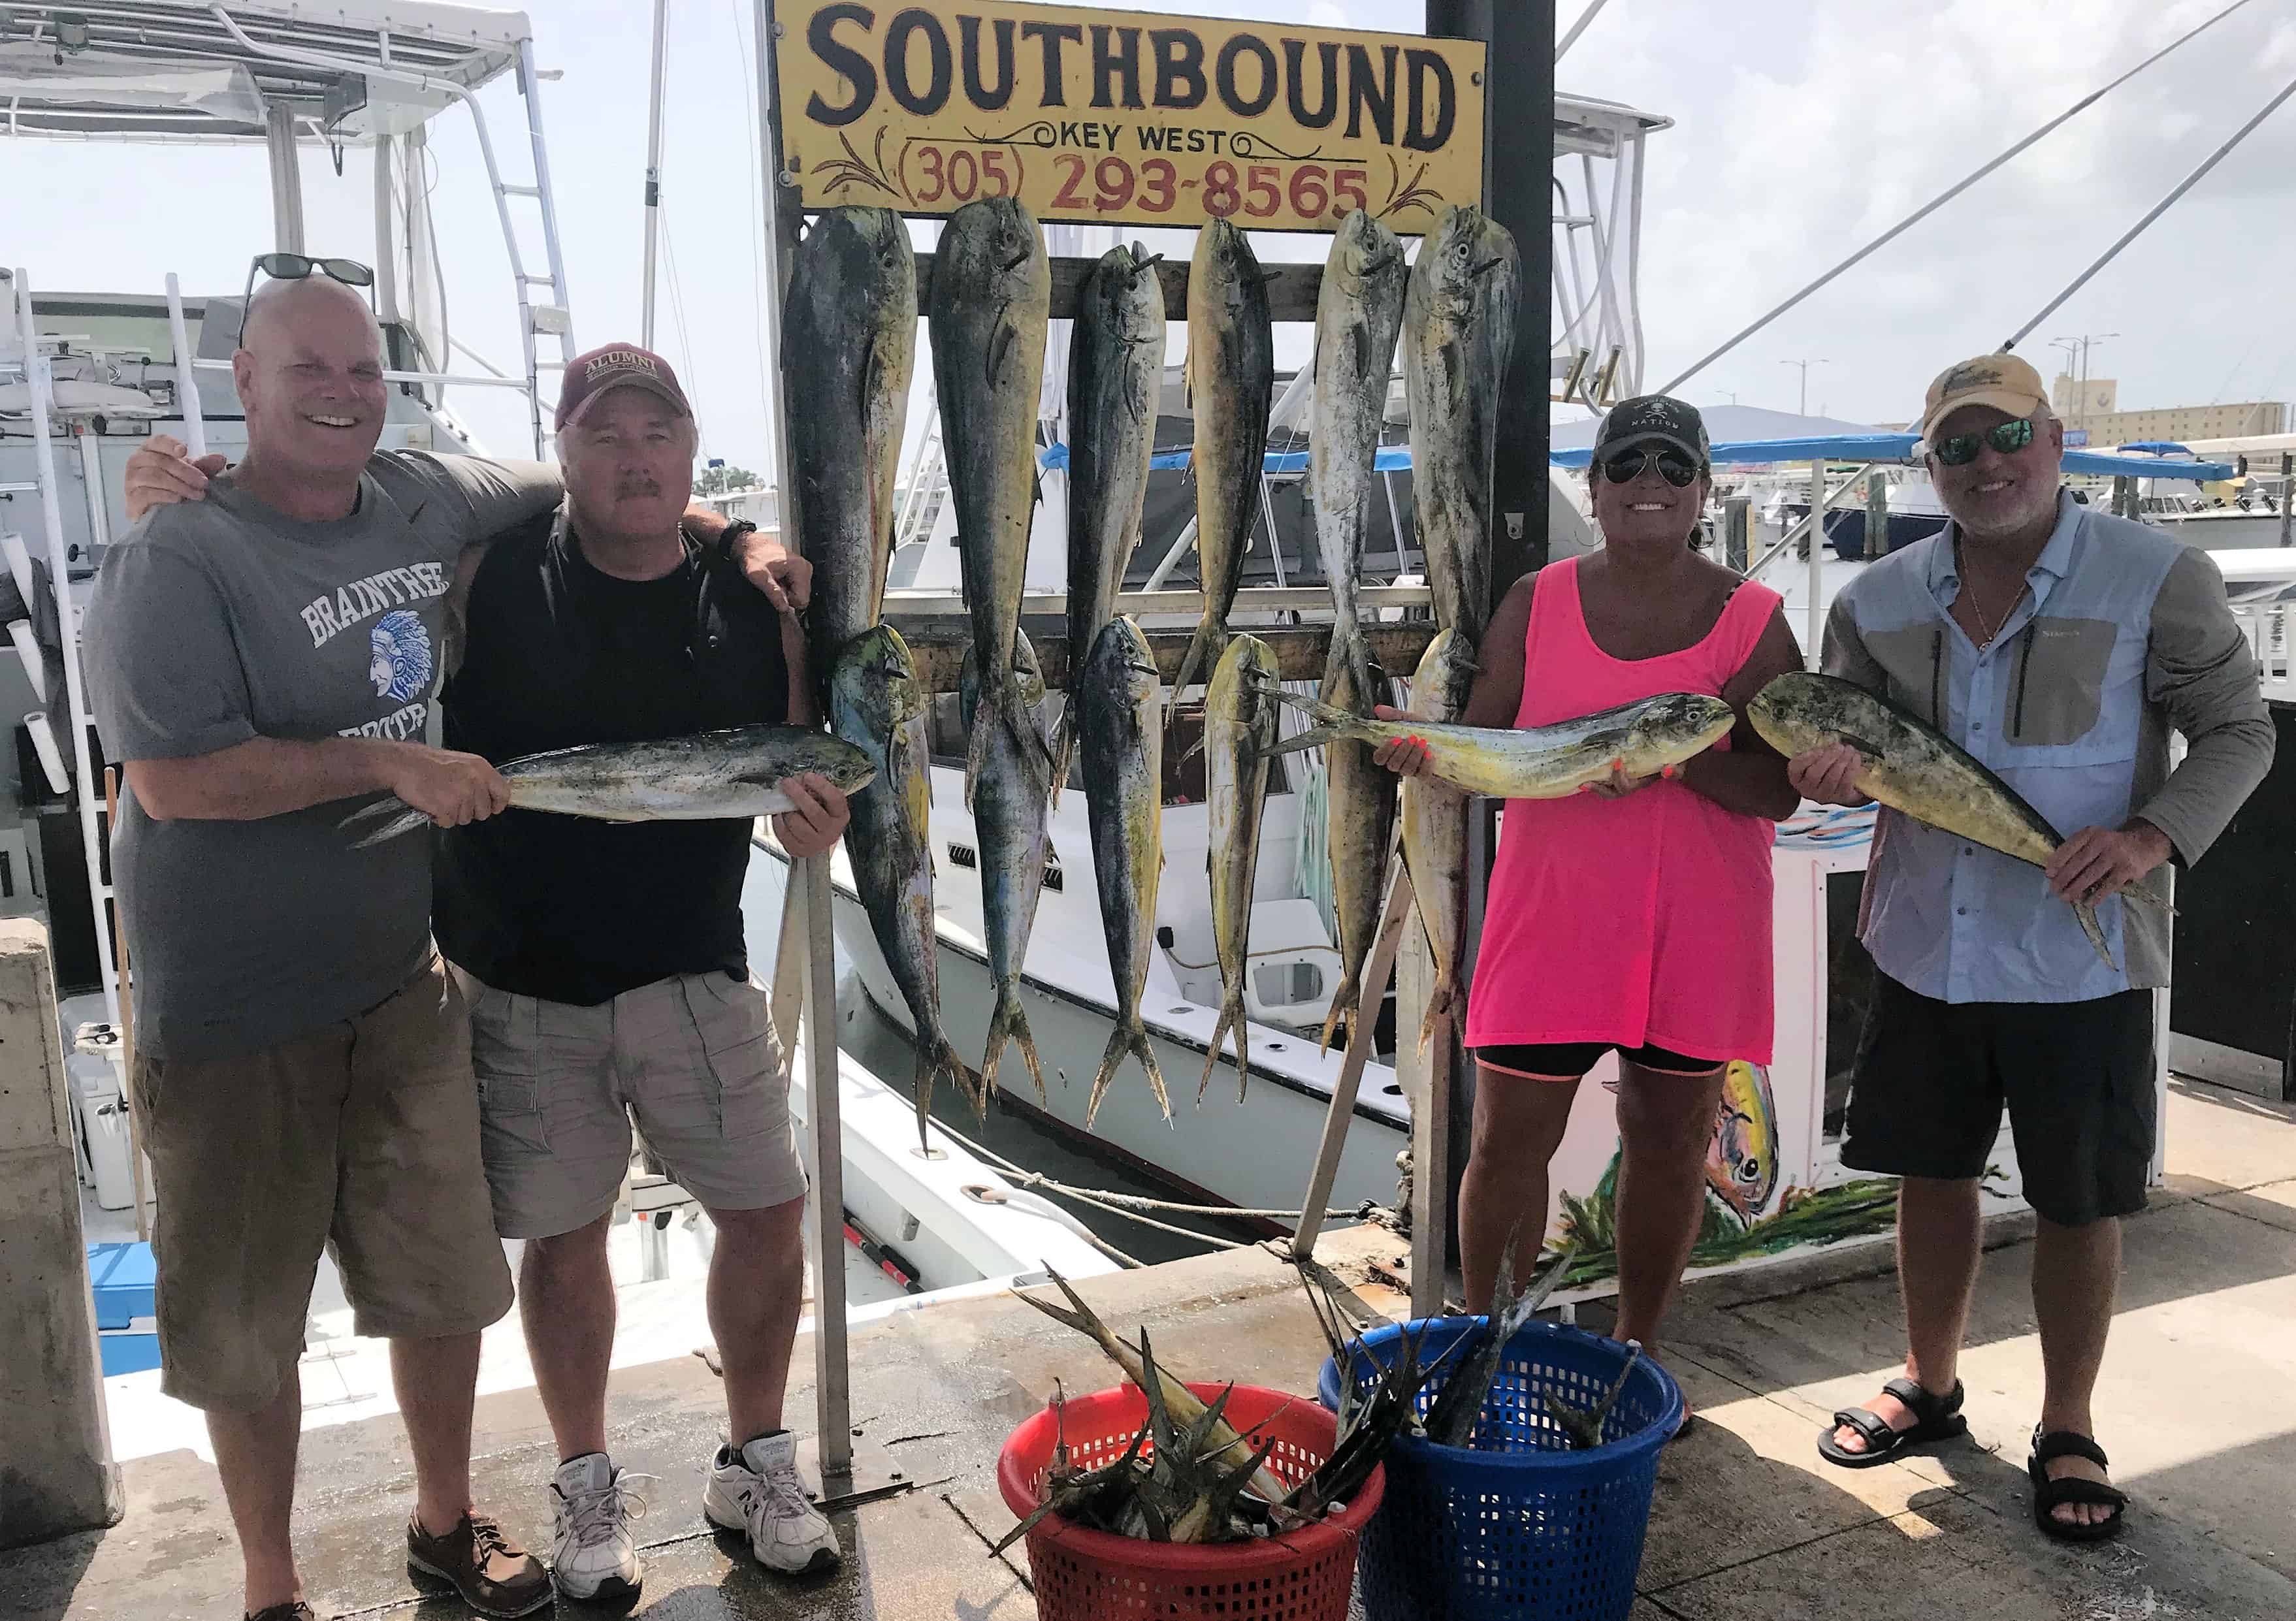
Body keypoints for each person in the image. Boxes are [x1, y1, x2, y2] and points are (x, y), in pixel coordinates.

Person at [99, 271, 796, 1621]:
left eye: (361, 369)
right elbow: (172, 782)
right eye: (307, 368)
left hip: (402, 983)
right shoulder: (178, 548)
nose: (341, 392)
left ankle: (445, 1519)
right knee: (249, 1325)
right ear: (242, 379)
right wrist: (388, 763)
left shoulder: (425, 497)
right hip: (233, 1006)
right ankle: (269, 1583)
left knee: (438, 1285)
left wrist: (744, 532)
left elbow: (607, 479)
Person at [1794, 353, 2272, 1541]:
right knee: (1932, 1173)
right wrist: (1820, 773)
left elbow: (2238, 729)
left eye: (2006, 435)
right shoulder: (1877, 598)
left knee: (2079, 1196)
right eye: (1956, 446)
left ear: (2053, 438)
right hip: (1921, 941)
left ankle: (2069, 1423)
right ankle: (1931, 1380)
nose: (1986, 464)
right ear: (1929, 465)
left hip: (2082, 950)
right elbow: (1842, 735)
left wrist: (2155, 834)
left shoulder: (2157, 572)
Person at [429, 345, 848, 1601]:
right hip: (525, 978)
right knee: (563, 1247)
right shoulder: (489, 572)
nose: (634, 458)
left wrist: (812, 817)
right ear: (561, 447)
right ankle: (586, 1484)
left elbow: (788, 780)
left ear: (688, 448)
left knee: (769, 1215)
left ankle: (756, 1459)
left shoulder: (748, 597)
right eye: (604, 434)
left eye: (658, 434)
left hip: (694, 968)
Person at [1376, 395, 1803, 1379]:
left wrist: (1672, 760)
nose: (1648, 485)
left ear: (1703, 488)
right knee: (1507, 1139)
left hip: (1696, 925)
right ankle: (1484, 1349)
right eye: (1625, 466)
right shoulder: (1538, 599)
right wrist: (1421, 750)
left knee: (1670, 1137)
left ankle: (1637, 1354)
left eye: (1671, 466)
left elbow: (1778, 790)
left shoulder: (1756, 620)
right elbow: (1488, 747)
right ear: (1597, 487)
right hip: (1554, 915)